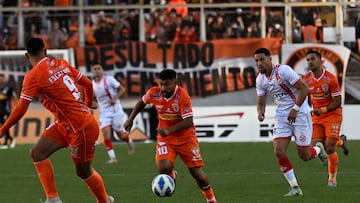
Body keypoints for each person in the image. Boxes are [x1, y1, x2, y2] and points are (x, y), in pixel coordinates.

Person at [0, 38, 114, 203]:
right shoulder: (62, 63)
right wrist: (88, 102)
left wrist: (3, 129)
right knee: (37, 153)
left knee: (83, 171)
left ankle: (104, 201)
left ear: (26, 56)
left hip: (81, 128)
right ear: (45, 51)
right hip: (65, 124)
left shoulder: (33, 76)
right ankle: (53, 199)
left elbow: (21, 108)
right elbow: (88, 83)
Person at [124, 69, 218, 203]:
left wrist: (170, 130)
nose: (163, 88)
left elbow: (188, 121)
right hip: (166, 139)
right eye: (161, 84)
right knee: (163, 168)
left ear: (175, 82)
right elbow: (142, 102)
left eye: (166, 84)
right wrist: (131, 119)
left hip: (186, 138)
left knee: (196, 173)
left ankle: (211, 199)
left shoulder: (182, 96)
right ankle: (172, 174)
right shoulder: (154, 92)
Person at [254, 48, 328, 197]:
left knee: (305, 156)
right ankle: (295, 187)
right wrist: (260, 112)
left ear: (270, 59)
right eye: (256, 61)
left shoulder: (283, 71)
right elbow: (261, 101)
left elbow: (304, 89)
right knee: (278, 151)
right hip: (282, 116)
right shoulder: (260, 79)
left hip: (300, 114)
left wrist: (295, 109)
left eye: (262, 59)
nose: (259, 63)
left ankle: (318, 149)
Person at [303, 50, 349, 187]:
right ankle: (340, 141)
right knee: (315, 147)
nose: (310, 61)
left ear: (320, 61)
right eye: (308, 59)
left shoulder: (331, 79)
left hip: (332, 115)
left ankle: (332, 179)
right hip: (316, 117)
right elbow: (306, 100)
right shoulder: (305, 80)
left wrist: (322, 110)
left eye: (312, 59)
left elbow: (337, 102)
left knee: (329, 148)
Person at [91, 63, 134, 164]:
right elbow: (92, 99)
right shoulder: (92, 85)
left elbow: (122, 89)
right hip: (104, 112)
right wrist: (92, 106)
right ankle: (113, 158)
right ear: (93, 72)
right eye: (95, 69)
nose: (97, 70)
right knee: (106, 134)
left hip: (115, 110)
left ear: (102, 70)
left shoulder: (109, 80)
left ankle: (129, 141)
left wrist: (115, 98)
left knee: (120, 135)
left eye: (99, 68)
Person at [0, 73, 17, 149]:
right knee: (2, 126)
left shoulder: (8, 87)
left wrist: (17, 105)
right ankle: (11, 139)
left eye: (1, 78)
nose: (1, 80)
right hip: (0, 109)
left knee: (5, 126)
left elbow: (14, 96)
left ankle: (6, 142)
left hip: (6, 109)